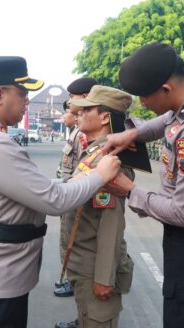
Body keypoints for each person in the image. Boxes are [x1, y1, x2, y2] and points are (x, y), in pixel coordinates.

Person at [0, 56, 121, 328]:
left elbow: (40, 188)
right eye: (23, 93)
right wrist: (100, 175)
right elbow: (55, 200)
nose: (27, 101)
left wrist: (75, 179)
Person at [103, 42, 184, 328]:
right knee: (178, 307)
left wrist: (130, 190)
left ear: (165, 89)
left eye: (144, 97)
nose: (143, 104)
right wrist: (134, 134)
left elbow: (182, 213)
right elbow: (169, 119)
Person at [56, 85, 136, 328]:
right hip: (83, 264)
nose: (79, 113)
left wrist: (104, 277)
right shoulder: (93, 152)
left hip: (94, 268)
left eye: (86, 109)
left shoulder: (109, 160)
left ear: (104, 116)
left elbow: (111, 224)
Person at [55, 77, 98, 302]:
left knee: (80, 250)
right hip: (72, 192)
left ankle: (78, 288)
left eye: (73, 97)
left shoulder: (89, 135)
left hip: (81, 197)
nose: (70, 103)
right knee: (69, 243)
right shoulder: (78, 132)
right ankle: (75, 286)